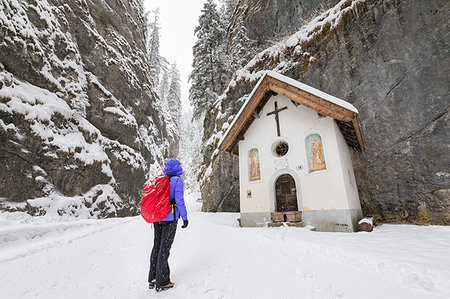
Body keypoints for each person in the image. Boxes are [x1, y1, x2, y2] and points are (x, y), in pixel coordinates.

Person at [148, 158, 188, 292]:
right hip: (170, 219)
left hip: (157, 218)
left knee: (157, 246)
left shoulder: (160, 179)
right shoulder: (177, 181)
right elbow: (180, 201)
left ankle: (152, 279)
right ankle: (163, 281)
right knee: (164, 248)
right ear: (176, 167)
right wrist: (185, 217)